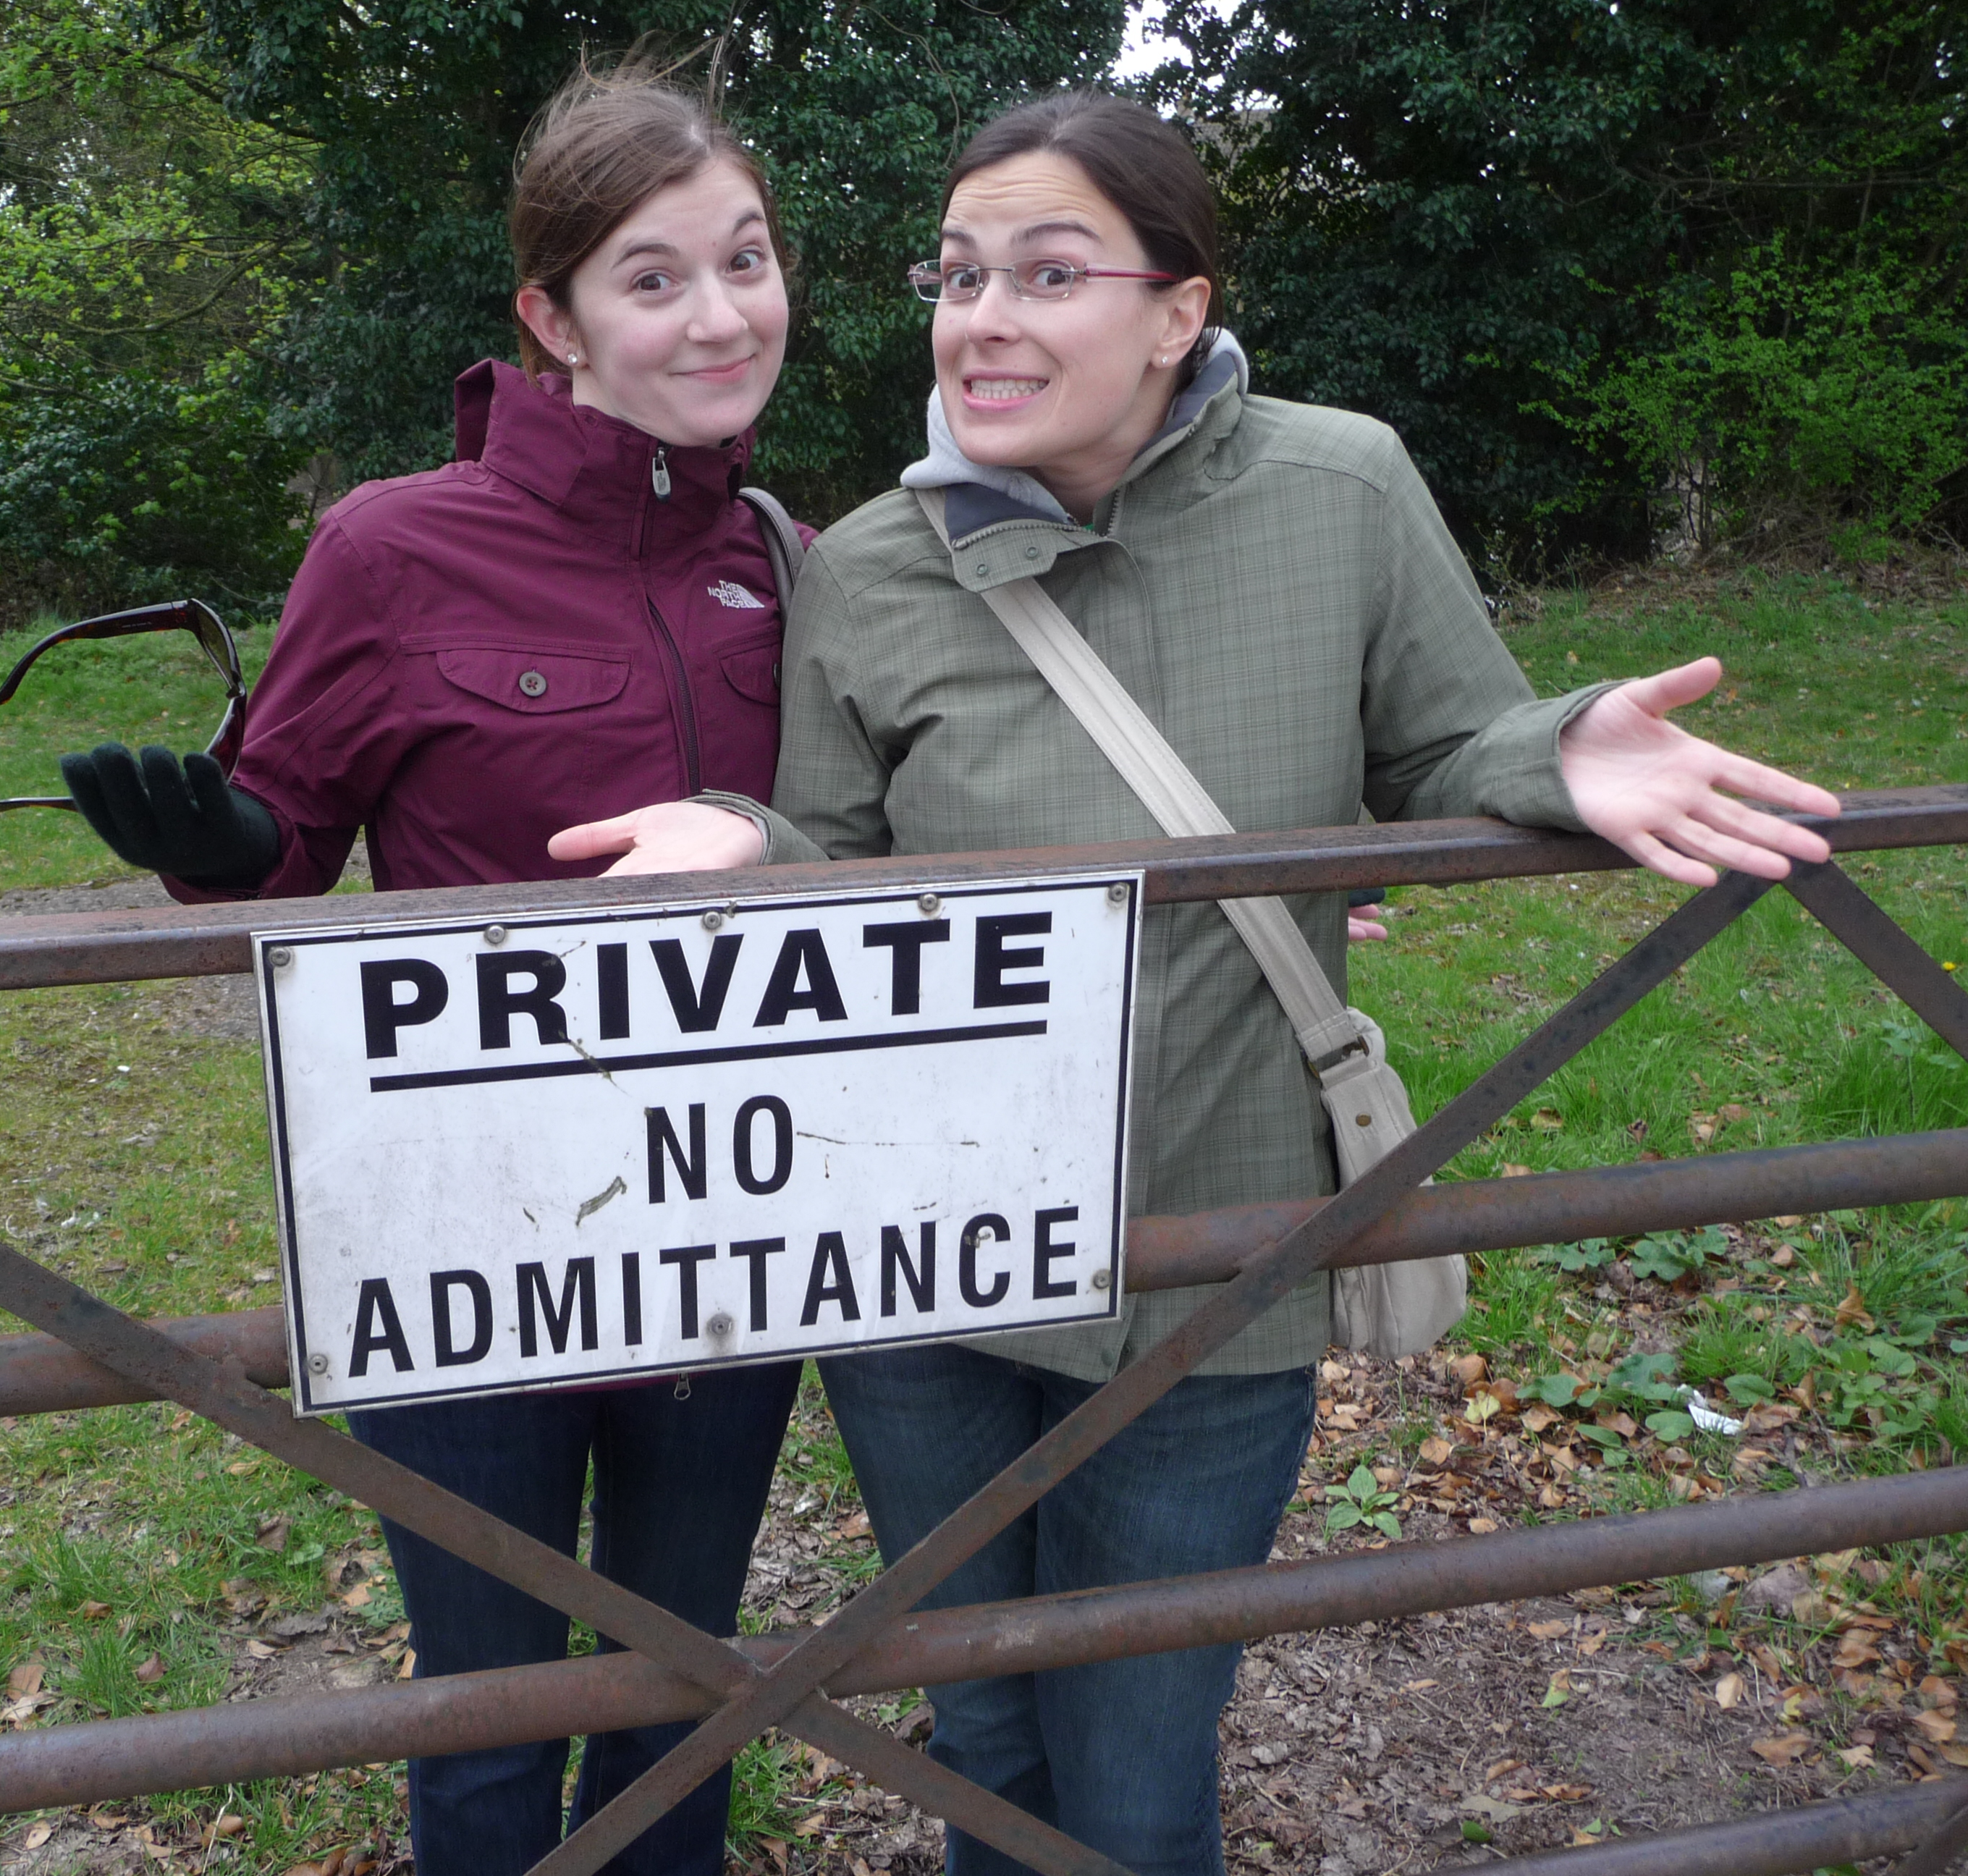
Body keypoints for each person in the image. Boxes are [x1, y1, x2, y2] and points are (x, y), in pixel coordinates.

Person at [549, 91, 1838, 1876]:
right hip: (930, 1256)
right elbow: (834, 846)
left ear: (1179, 310)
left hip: (1221, 1252)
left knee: (1143, 1750)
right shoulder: (872, 568)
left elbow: (1454, 729)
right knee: (979, 1719)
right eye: (958, 273)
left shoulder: (1343, 485)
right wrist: (745, 844)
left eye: (1049, 273)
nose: (982, 317)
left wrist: (1560, 752)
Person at [53, 63, 808, 1876]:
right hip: (470, 1225)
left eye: (749, 258)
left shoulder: (790, 558)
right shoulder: (392, 548)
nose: (721, 314)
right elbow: (285, 840)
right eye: (654, 276)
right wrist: (225, 841)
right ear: (550, 317)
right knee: (485, 1708)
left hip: (736, 1215)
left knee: (686, 1679)